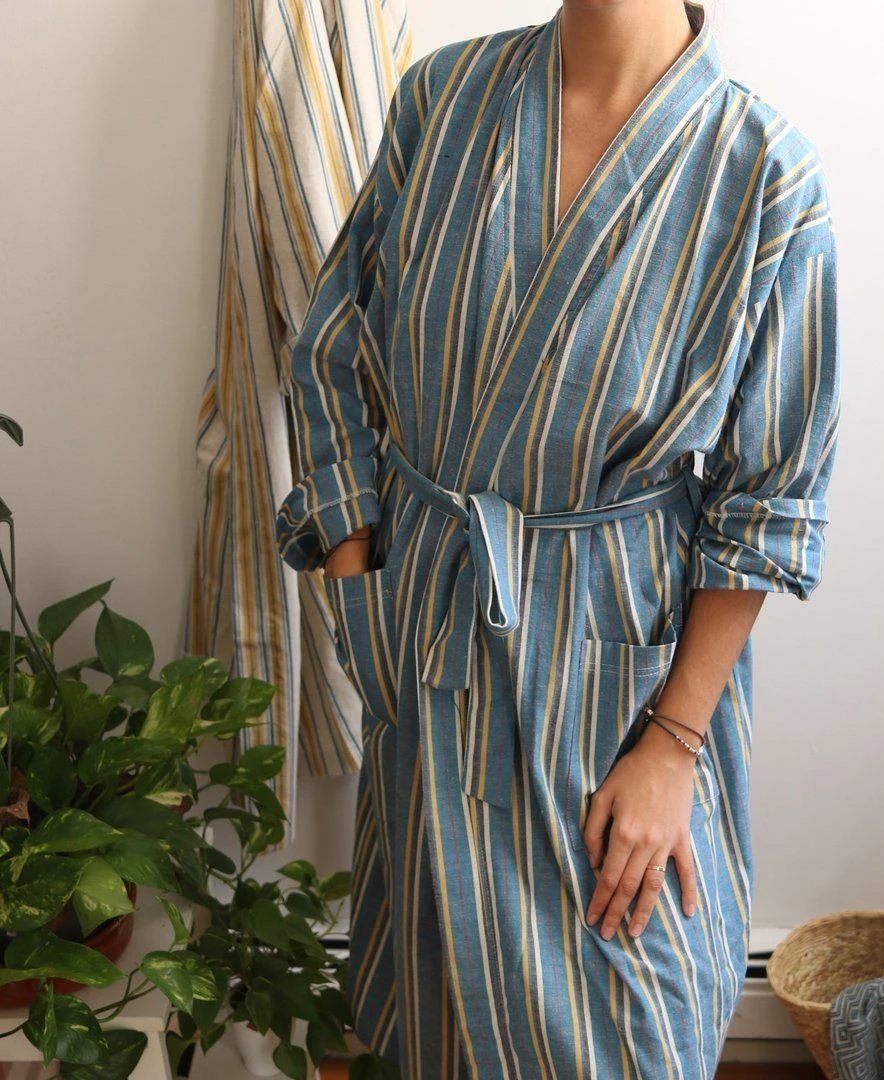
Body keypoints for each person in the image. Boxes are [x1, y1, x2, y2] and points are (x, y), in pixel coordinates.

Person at [274, 0, 840, 1075]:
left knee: (627, 1017)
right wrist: (361, 598)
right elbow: (333, 351)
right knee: (434, 1015)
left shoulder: (766, 178)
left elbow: (767, 503)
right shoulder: (443, 100)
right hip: (428, 642)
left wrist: (673, 747)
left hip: (618, 692)